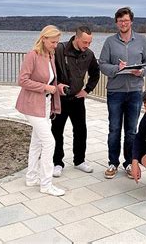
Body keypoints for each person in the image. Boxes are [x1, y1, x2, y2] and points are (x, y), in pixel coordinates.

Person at [99, 7, 146, 179]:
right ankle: (112, 163)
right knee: (114, 129)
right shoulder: (109, 42)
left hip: (135, 92)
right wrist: (117, 68)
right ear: (116, 23)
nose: (123, 23)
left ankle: (129, 162)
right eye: (120, 21)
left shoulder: (142, 41)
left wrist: (142, 71)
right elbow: (102, 64)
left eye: (126, 21)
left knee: (131, 130)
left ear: (131, 22)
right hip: (115, 92)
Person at [15, 25, 68, 196]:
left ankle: (31, 177)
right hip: (31, 105)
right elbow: (22, 81)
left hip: (44, 105)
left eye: (57, 42)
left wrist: (56, 87)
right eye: (53, 42)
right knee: (49, 142)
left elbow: (50, 81)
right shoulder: (33, 55)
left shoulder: (50, 56)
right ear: (44, 39)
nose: (56, 45)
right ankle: (46, 184)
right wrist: (45, 87)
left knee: (37, 142)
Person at [51, 25, 100, 177]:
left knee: (80, 130)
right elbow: (48, 71)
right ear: (76, 38)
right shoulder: (59, 49)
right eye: (85, 42)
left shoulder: (89, 54)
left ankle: (79, 160)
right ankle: (57, 162)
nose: (87, 46)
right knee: (56, 131)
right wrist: (55, 85)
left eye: (90, 43)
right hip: (60, 98)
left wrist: (87, 90)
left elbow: (95, 74)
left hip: (77, 99)